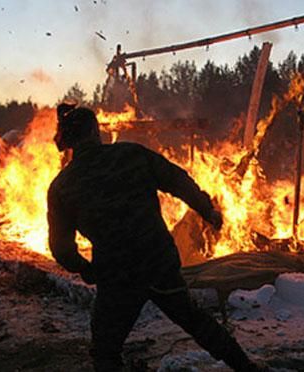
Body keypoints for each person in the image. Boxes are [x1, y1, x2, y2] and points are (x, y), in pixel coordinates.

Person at [47, 104, 266, 372]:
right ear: (95, 131)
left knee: (105, 350)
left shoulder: (61, 186)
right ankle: (245, 367)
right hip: (158, 261)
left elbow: (61, 249)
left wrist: (86, 269)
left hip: (117, 274)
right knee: (196, 321)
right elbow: (176, 180)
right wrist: (206, 209)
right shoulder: (130, 154)